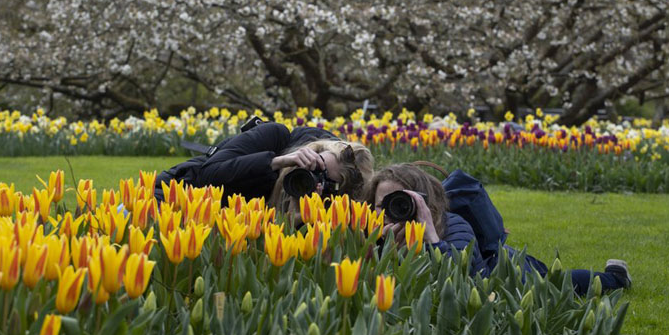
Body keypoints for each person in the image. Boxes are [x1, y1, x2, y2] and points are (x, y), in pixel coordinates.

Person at [364, 163, 632, 295]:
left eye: (399, 203)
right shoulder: (372, 232)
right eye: (380, 205)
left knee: (560, 285)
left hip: (510, 276)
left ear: (422, 201)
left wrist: (430, 237)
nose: (389, 213)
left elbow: (459, 274)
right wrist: (378, 248)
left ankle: (615, 278)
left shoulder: (452, 224)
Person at [154, 120, 374, 214]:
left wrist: (298, 218)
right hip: (174, 197)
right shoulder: (275, 137)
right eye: (317, 163)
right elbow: (209, 175)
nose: (312, 174)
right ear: (316, 148)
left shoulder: (320, 202)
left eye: (325, 180)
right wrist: (276, 162)